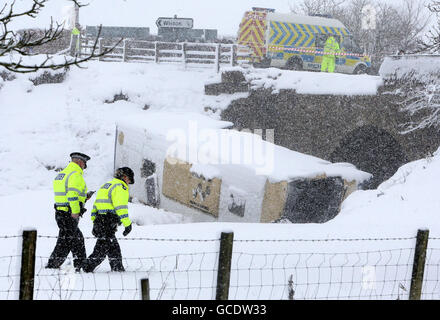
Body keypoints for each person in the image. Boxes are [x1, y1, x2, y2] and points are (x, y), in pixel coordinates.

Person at [46, 152, 93, 271]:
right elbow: (72, 195)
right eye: (84, 164)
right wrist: (75, 211)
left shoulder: (62, 174)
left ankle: (59, 264)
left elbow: (66, 194)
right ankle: (77, 265)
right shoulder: (75, 175)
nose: (84, 167)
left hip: (60, 212)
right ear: (80, 162)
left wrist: (85, 197)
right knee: (72, 240)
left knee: (70, 239)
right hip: (69, 213)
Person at [83, 167, 134, 273]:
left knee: (112, 246)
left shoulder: (107, 185)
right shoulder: (120, 187)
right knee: (101, 250)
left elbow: (96, 204)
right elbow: (121, 208)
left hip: (100, 220)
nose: (129, 183)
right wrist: (127, 224)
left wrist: (94, 220)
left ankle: (117, 268)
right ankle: (87, 267)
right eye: (129, 180)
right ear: (124, 177)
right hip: (108, 221)